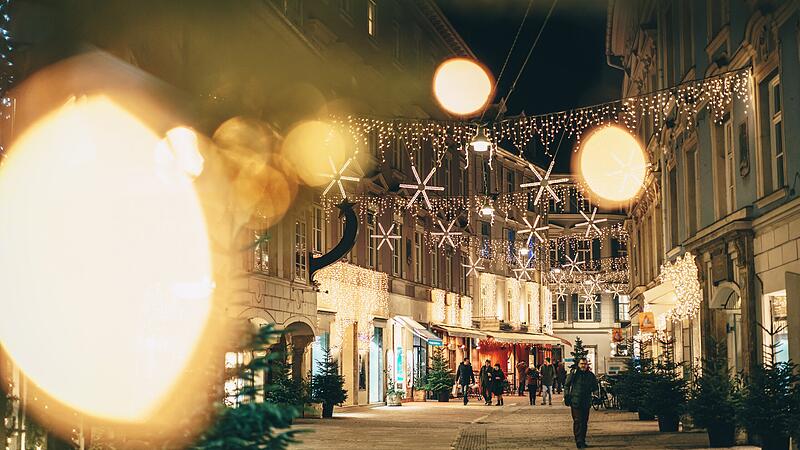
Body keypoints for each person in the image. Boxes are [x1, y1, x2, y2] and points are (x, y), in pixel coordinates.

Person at [564, 357, 598, 449]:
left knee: (584, 422)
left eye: (585, 364)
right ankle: (579, 441)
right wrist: (567, 396)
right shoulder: (574, 374)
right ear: (578, 365)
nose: (583, 365)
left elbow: (595, 387)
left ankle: (582, 439)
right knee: (578, 421)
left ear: (587, 365)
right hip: (575, 401)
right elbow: (567, 385)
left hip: (586, 401)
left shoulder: (590, 375)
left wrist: (596, 395)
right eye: (582, 364)